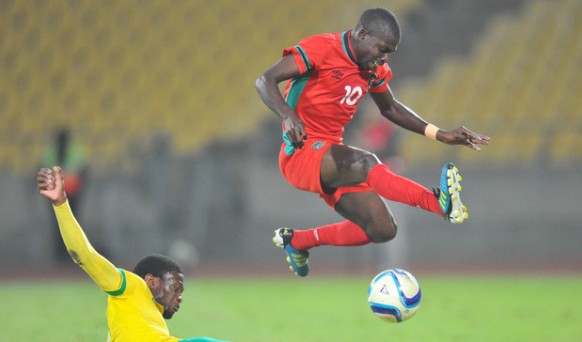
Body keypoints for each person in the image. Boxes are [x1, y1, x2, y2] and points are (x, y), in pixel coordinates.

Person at [255, 7, 490, 277]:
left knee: (383, 229)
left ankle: (298, 241)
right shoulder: (321, 48)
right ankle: (437, 203)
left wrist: (439, 133)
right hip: (300, 153)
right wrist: (287, 116)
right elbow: (265, 80)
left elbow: (390, 108)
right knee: (366, 162)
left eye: (390, 52)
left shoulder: (373, 69)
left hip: (332, 157)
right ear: (362, 35)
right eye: (382, 49)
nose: (384, 57)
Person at [37, 166, 227, 341]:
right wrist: (61, 205)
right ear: (151, 281)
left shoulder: (153, 320)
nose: (180, 297)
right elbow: (85, 255)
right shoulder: (132, 287)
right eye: (175, 288)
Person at [43, 127, 88, 264]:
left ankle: (71, 256)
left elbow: (84, 171)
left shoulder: (74, 152)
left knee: (71, 225)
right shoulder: (52, 152)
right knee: (59, 226)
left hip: (71, 195)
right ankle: (61, 257)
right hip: (58, 195)